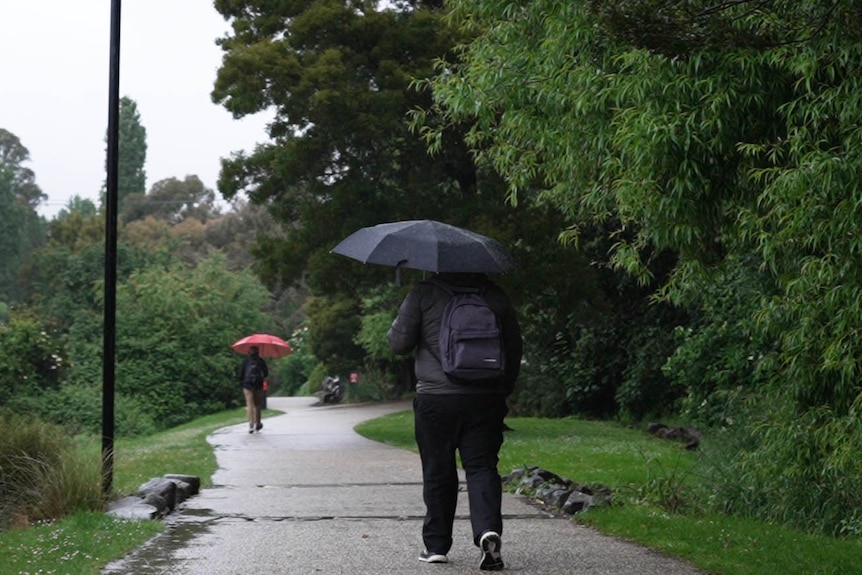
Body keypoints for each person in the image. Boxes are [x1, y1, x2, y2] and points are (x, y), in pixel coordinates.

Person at [387, 272, 522, 571]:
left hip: (436, 399)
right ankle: (488, 531)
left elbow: (399, 344)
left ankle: (436, 546)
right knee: (482, 466)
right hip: (485, 399)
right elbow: (513, 348)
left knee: (438, 469)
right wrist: (502, 391)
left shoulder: (423, 292)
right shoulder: (495, 295)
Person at [238, 346, 268, 434]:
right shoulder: (261, 361)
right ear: (258, 352)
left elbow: (240, 375)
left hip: (247, 385)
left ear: (249, 352)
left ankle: (251, 425)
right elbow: (266, 374)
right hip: (258, 385)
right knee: (257, 405)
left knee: (249, 404)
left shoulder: (246, 361)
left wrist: (243, 382)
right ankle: (258, 424)